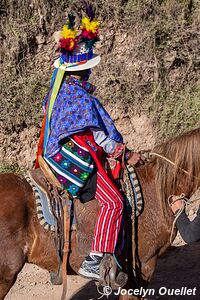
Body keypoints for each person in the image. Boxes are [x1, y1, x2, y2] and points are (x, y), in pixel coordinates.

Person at [35, 11, 142, 280]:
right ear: (82, 69)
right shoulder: (80, 98)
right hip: (75, 158)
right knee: (115, 203)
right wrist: (123, 153)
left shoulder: (60, 91)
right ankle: (94, 259)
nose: (91, 69)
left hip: (60, 152)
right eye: (88, 67)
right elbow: (100, 137)